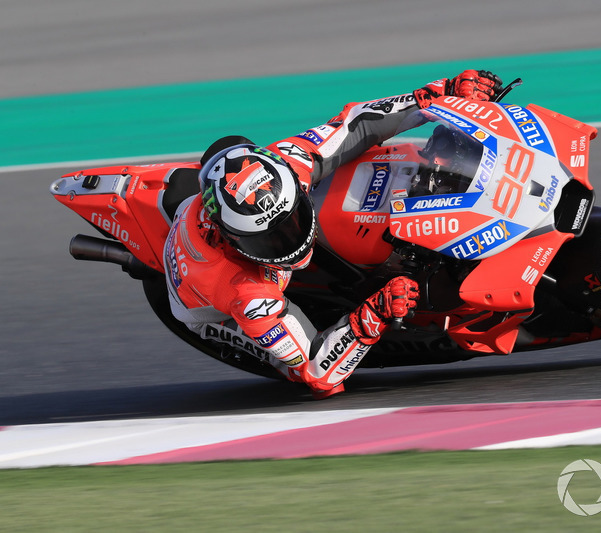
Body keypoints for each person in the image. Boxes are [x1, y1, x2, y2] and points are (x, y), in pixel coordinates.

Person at [163, 70, 503, 399]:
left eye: (292, 218)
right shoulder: (247, 294)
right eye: (267, 239)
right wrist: (373, 314)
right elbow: (319, 375)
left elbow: (356, 123)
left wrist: (438, 95)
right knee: (294, 368)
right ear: (232, 237)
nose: (290, 240)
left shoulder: (285, 164)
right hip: (207, 306)